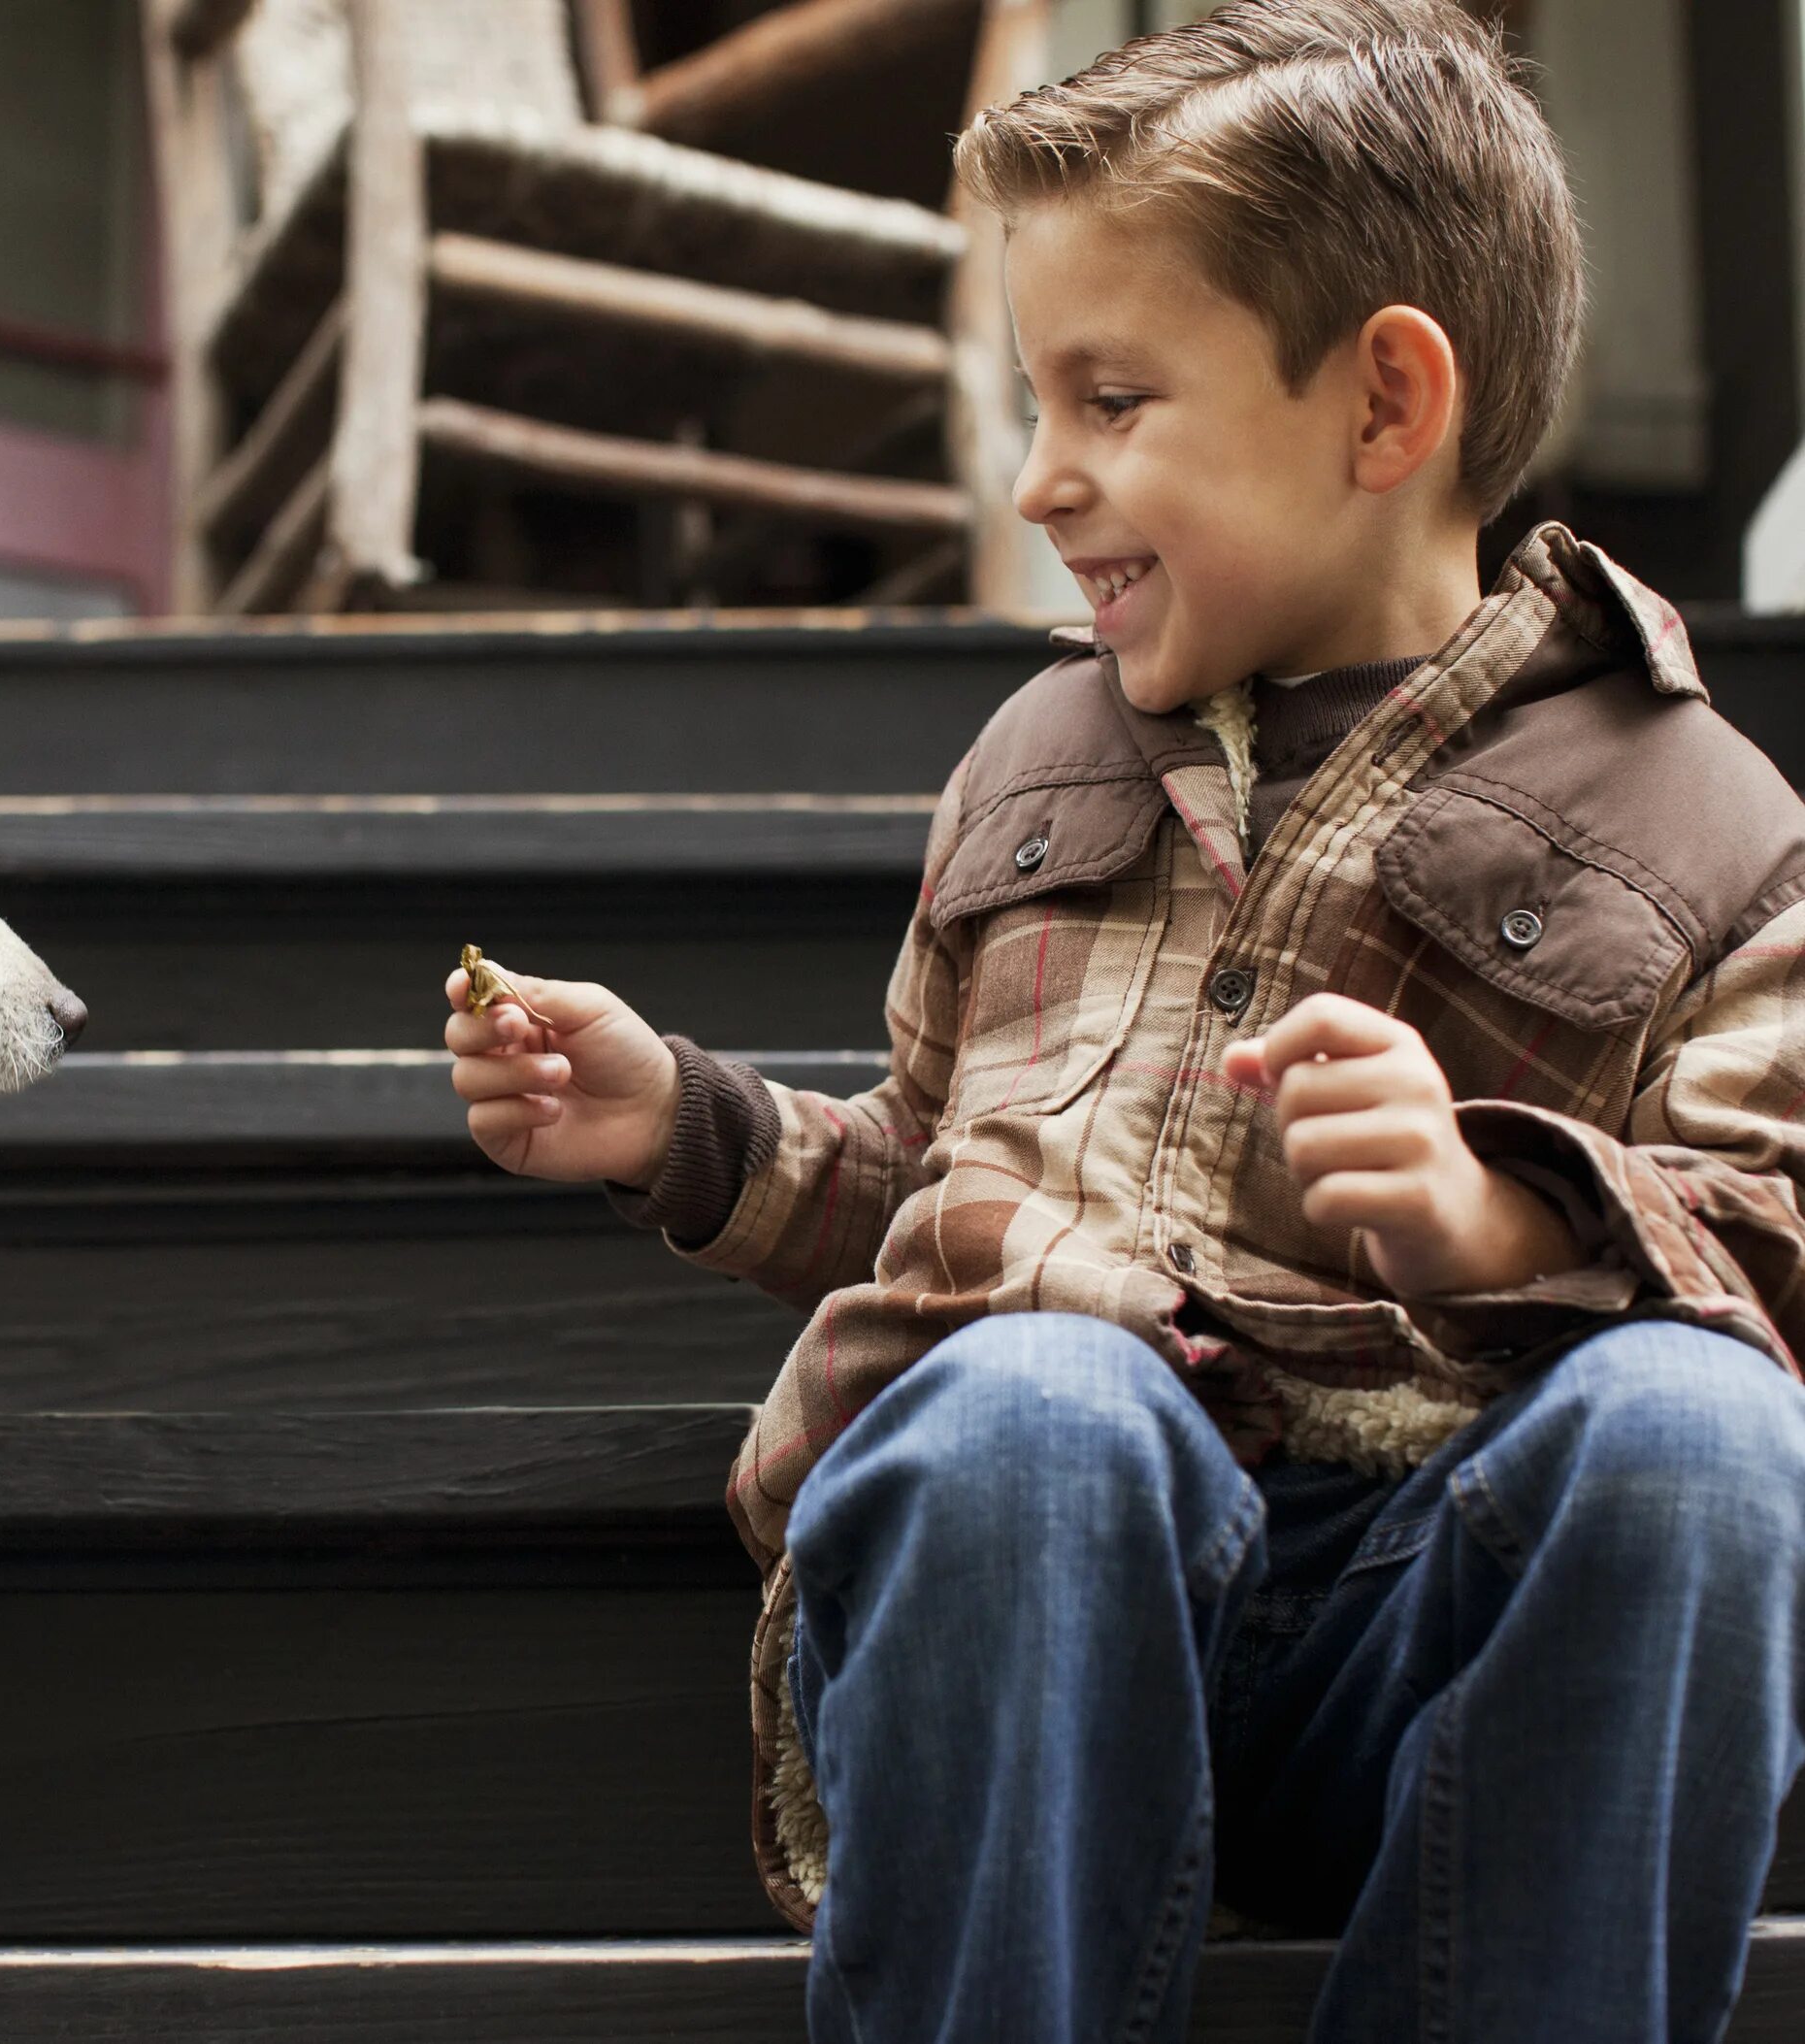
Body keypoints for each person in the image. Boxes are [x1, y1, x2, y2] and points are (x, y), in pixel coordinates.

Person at [440, 4, 1805, 2037]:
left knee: (1711, 1439)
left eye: (1111, 399)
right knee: (1027, 1404)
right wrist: (689, 1130)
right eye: (1031, 402)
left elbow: (1779, 1244)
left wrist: (1498, 1221)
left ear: (1383, 405)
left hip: (1436, 1665)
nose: (1040, 480)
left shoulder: (1711, 824)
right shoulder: (1032, 760)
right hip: (1028, 1622)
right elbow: (921, 1171)